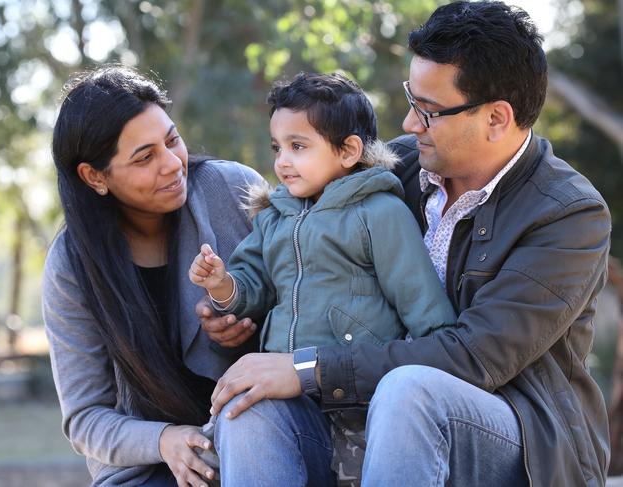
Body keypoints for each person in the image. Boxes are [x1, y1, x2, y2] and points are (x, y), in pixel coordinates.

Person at [200, 2, 611, 486]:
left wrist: (310, 369)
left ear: (497, 118)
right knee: (249, 406)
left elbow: (477, 357)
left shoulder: (567, 214)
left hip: (519, 436)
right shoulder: (390, 167)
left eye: (430, 111)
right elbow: (307, 255)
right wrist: (238, 307)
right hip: (361, 412)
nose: (411, 124)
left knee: (409, 389)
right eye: (411, 100)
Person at [190, 72, 456, 483]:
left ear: (348, 150)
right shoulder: (275, 217)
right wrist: (222, 284)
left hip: (356, 398)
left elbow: (421, 303)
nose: (282, 161)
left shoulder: (379, 213)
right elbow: (254, 285)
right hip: (284, 395)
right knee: (240, 411)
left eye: (298, 147)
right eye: (277, 147)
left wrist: (430, 361)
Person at [42, 66, 263, 486]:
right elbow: (85, 417)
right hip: (148, 467)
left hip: (257, 430)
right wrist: (164, 440)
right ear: (94, 177)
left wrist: (246, 317)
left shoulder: (234, 190)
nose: (172, 164)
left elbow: (300, 297)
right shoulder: (71, 266)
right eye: (144, 157)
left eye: (172, 140)